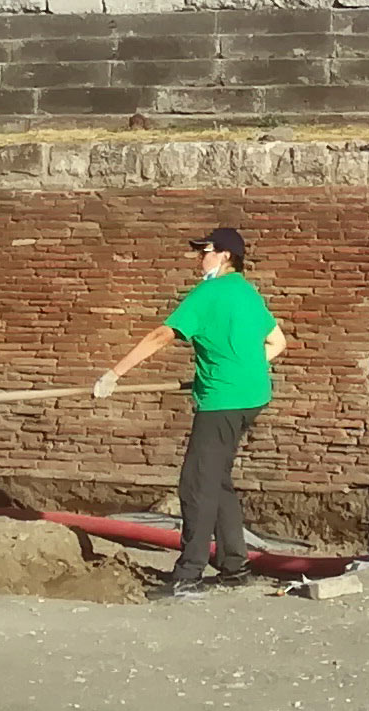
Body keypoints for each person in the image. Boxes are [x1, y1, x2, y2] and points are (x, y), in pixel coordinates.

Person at [93, 226, 283, 597]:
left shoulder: (207, 293)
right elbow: (277, 342)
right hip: (252, 397)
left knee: (196, 484)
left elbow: (161, 336)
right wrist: (243, 368)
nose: (200, 258)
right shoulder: (248, 292)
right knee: (217, 480)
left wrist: (114, 374)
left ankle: (188, 575)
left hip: (222, 402)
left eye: (205, 251)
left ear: (225, 255)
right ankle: (235, 567)